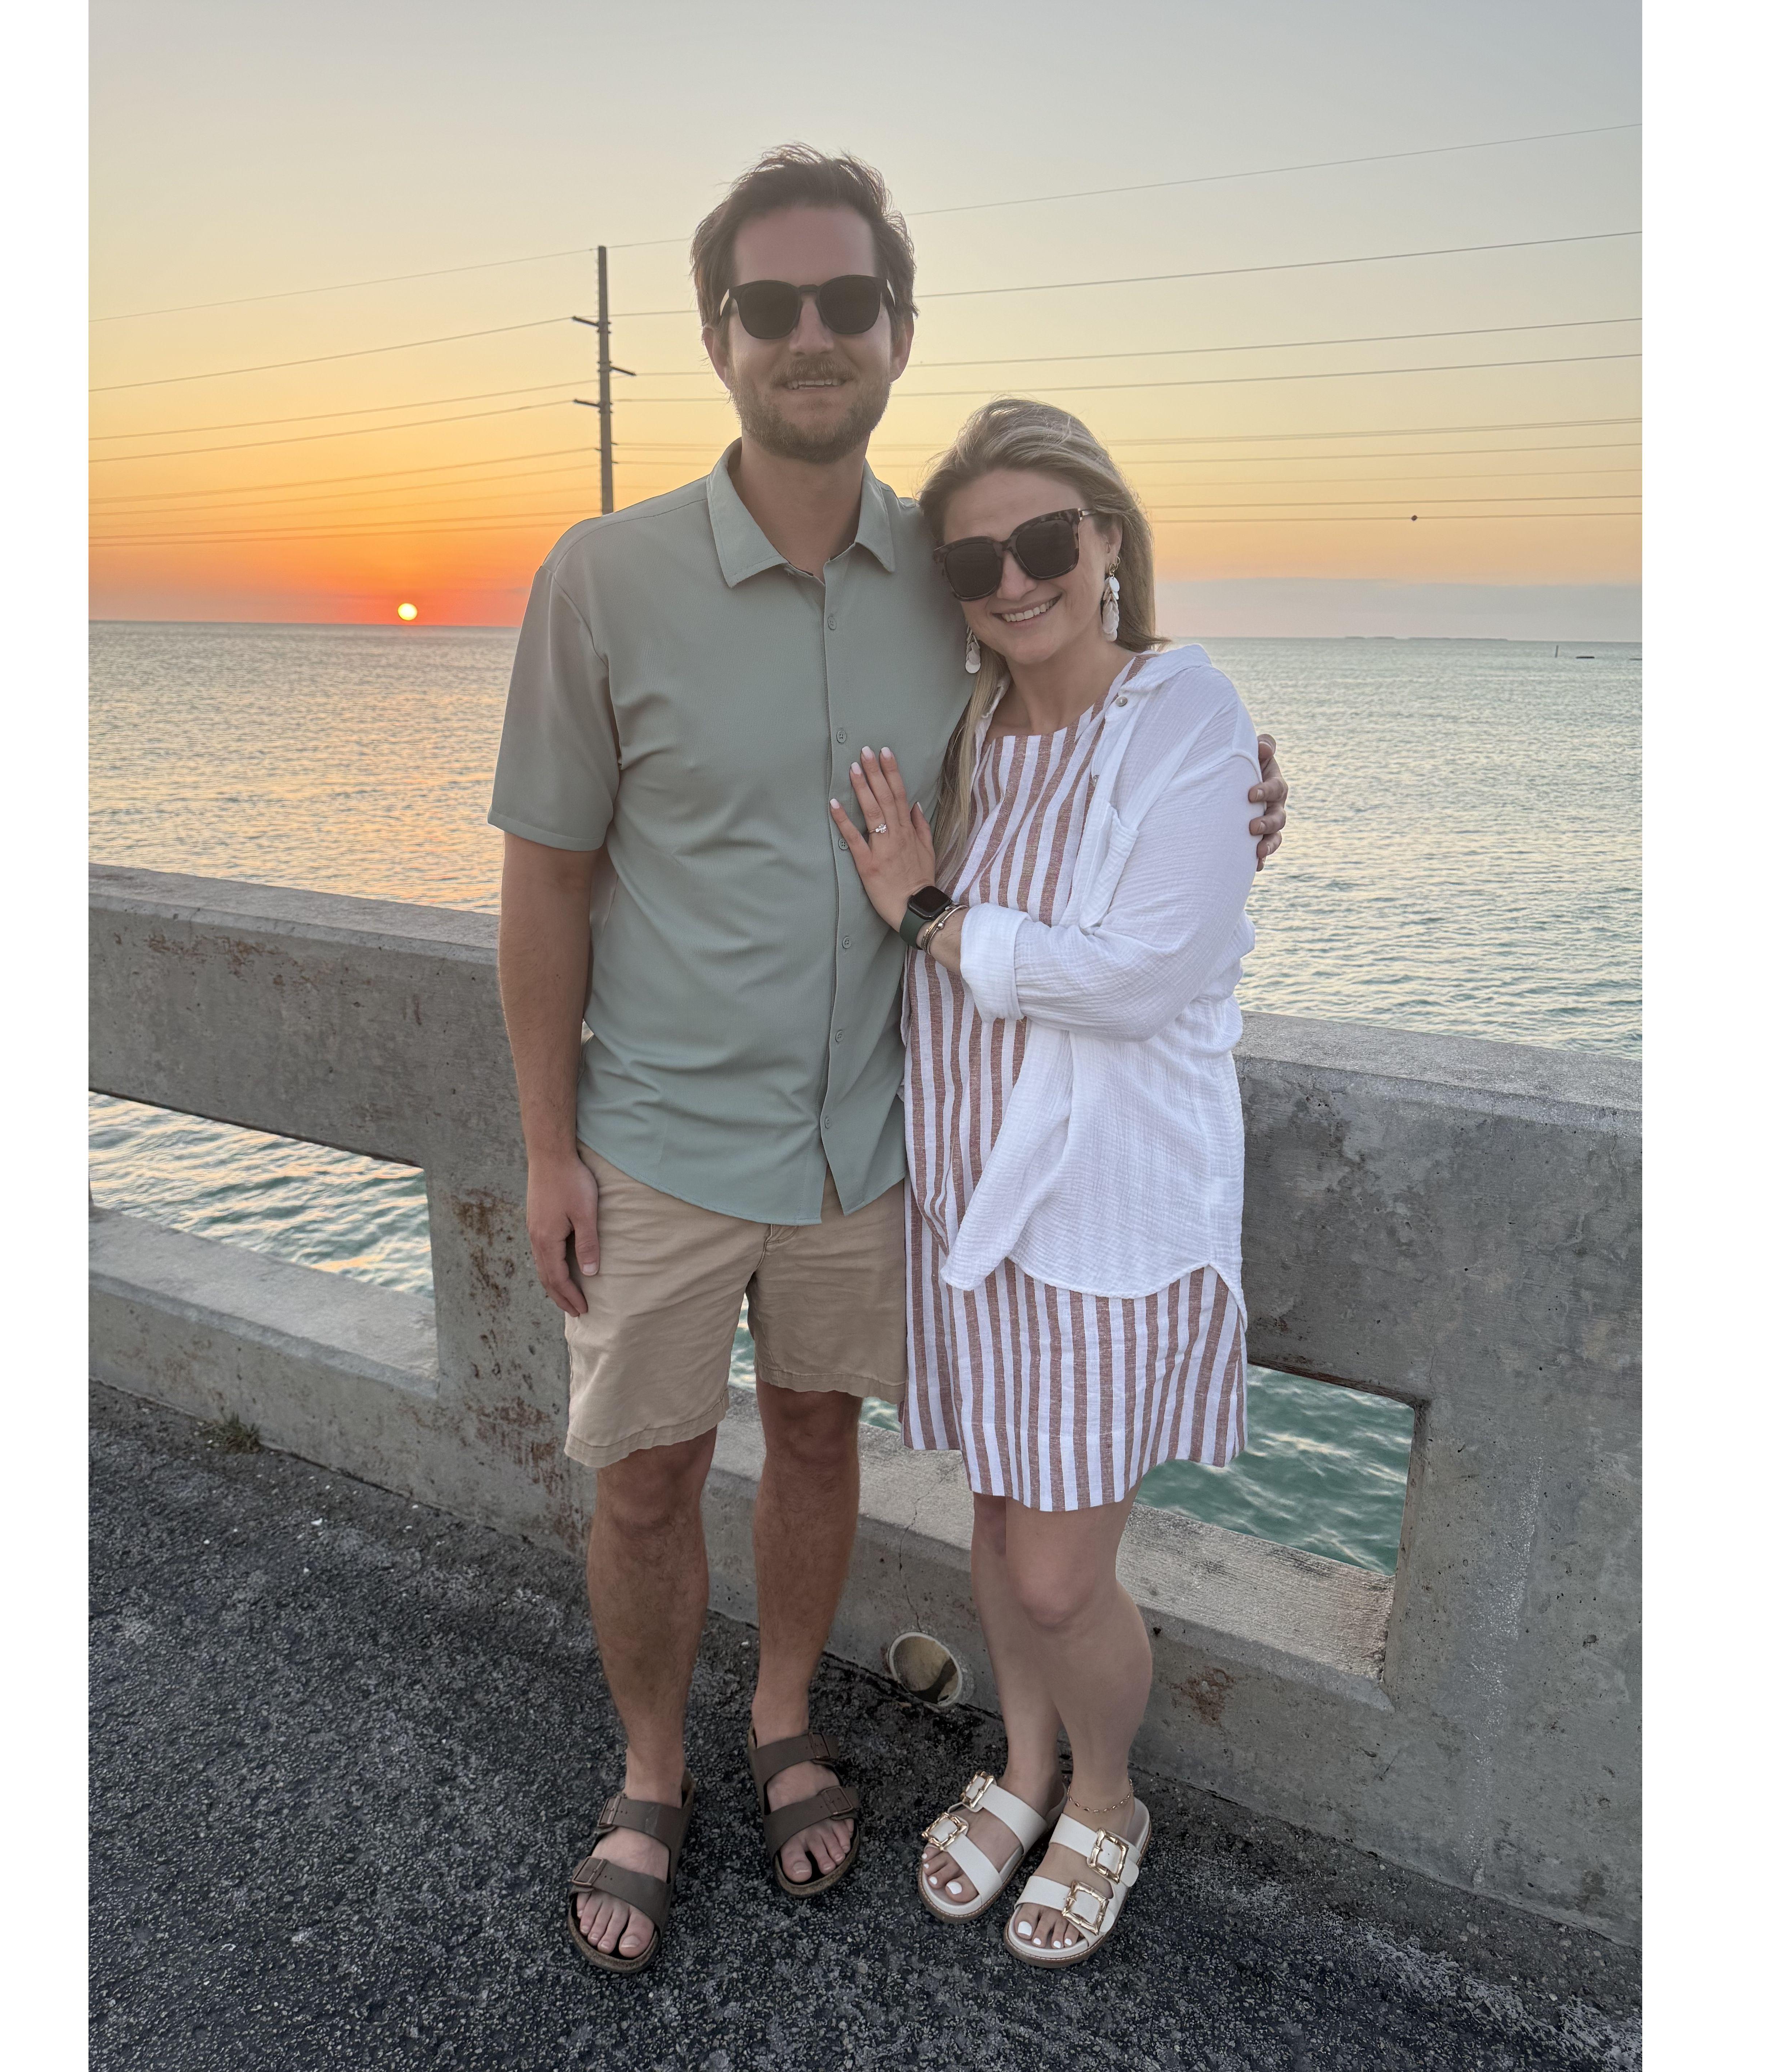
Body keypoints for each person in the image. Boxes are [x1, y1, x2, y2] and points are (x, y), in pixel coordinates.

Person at [489, 148, 1287, 1973]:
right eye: (770, 304)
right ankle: (649, 1772)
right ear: (718, 335)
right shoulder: (603, 579)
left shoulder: (948, 578)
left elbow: (1101, 721)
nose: (811, 333)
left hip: (877, 1150)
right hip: (659, 1139)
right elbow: (544, 882)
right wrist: (544, 1145)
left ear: (898, 330)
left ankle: (784, 1719)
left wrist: (1245, 793)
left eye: (848, 299)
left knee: (819, 1438)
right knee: (643, 1479)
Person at [831, 397, 1261, 1967]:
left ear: (1109, 540)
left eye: (1043, 542)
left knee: (1064, 1574)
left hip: (1106, 1222)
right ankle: (1021, 1766)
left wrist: (928, 913)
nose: (1014, 581)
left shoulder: (1184, 709)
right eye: (974, 561)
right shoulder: (966, 732)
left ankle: (1110, 1799)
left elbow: (1139, 975)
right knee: (1000, 1519)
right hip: (968, 1207)